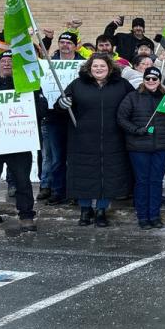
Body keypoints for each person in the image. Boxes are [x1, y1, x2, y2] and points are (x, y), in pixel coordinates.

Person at [57, 53, 134, 227]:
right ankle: (85, 210)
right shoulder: (77, 85)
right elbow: (61, 104)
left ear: (110, 68)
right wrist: (62, 104)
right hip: (82, 138)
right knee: (84, 174)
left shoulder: (122, 85)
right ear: (89, 68)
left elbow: (135, 102)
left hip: (113, 139)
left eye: (102, 66)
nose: (99, 69)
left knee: (107, 175)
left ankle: (101, 210)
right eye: (95, 66)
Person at [0, 52, 48, 234]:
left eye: (11, 62)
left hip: (19, 142)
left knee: (22, 181)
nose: (7, 64)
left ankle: (26, 215)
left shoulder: (29, 87)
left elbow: (42, 110)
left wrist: (31, 107)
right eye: (3, 61)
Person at [117, 66, 165, 228]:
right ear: (143, 80)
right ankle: (142, 216)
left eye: (154, 79)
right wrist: (136, 130)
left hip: (161, 147)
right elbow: (121, 118)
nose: (150, 81)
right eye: (147, 78)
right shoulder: (133, 97)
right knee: (142, 181)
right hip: (138, 147)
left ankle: (154, 215)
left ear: (159, 80)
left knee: (156, 181)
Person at [38, 30, 85, 205]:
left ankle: (76, 192)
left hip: (77, 116)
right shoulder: (49, 63)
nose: (65, 45)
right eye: (62, 42)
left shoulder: (83, 64)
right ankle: (58, 191)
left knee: (76, 157)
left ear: (75, 45)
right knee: (57, 158)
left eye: (69, 43)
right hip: (54, 116)